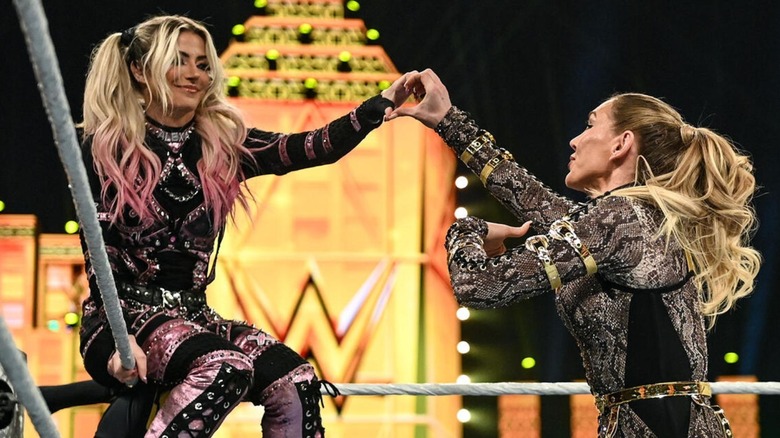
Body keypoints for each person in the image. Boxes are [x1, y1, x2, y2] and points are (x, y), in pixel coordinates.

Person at [76, 15, 411, 437]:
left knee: (297, 382)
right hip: (123, 322)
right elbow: (96, 258)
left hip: (196, 319)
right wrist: (115, 348)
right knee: (223, 368)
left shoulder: (225, 146)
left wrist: (378, 105)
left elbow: (310, 148)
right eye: (180, 61)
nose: (195, 74)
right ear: (140, 71)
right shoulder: (101, 148)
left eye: (202, 64)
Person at [388, 69, 760, 437]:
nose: (574, 140)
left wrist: (466, 230)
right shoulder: (633, 220)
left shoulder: (619, 220)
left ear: (621, 144)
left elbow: (478, 286)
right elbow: (529, 198)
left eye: (590, 125)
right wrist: (447, 121)